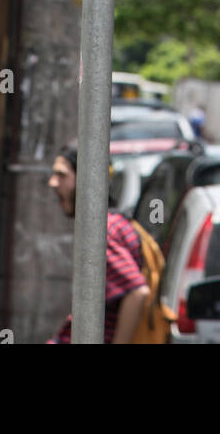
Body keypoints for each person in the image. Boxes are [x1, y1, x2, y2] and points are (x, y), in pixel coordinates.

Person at [47, 142, 150, 344]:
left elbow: (137, 292)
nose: (53, 182)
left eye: (61, 175)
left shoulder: (103, 231)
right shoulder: (109, 224)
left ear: (87, 179)